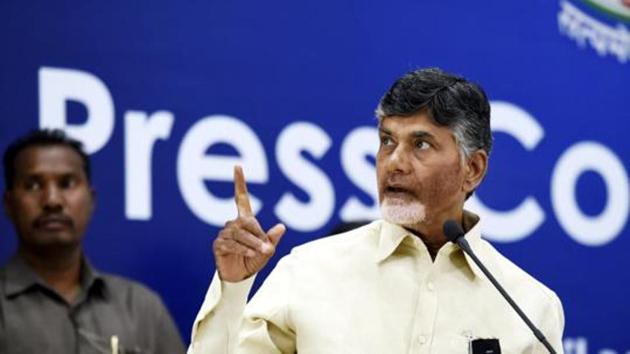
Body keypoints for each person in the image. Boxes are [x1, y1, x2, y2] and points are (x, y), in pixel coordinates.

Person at [187, 68, 565, 353]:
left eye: (421, 144)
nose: (394, 162)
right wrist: (233, 288)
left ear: (473, 169)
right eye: (387, 141)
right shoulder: (307, 272)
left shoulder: (530, 307)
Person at [0, 129, 185, 354]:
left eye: (67, 183)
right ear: (9, 204)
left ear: (91, 200)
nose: (52, 200)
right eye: (34, 185)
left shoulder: (141, 307)